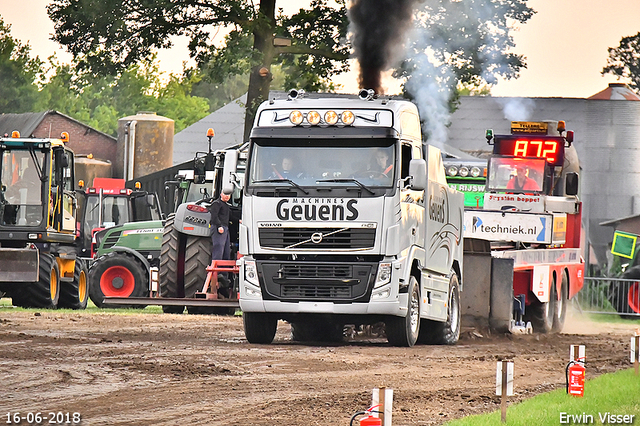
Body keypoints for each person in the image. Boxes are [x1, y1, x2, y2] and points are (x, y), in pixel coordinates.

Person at [209, 187, 233, 265]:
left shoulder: (227, 206)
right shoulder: (216, 204)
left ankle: (224, 274)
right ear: (221, 194)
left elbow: (230, 216)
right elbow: (214, 216)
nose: (227, 196)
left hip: (226, 229)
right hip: (218, 228)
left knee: (226, 251)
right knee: (218, 250)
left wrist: (239, 220)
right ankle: (216, 272)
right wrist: (219, 226)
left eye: (228, 195)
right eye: (225, 194)